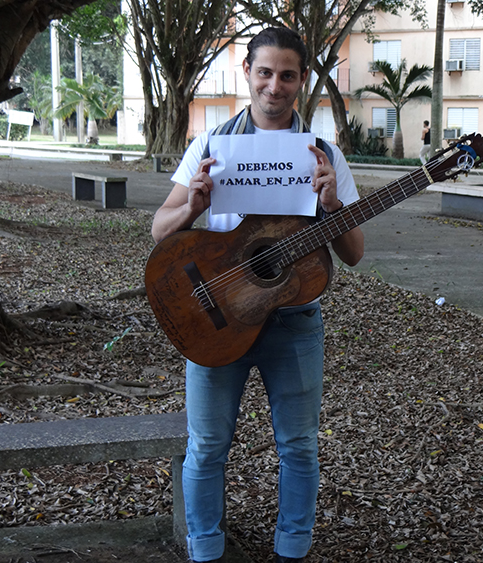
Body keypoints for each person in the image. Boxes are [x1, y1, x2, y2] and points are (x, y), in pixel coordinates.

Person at [151, 27, 364, 563]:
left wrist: (332, 204)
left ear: (301, 81)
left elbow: (354, 254)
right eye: (265, 72)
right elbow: (161, 230)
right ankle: (205, 550)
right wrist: (192, 207)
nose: (275, 86)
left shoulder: (322, 155)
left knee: (299, 446)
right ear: (247, 73)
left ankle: (292, 549)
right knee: (206, 447)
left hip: (292, 319)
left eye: (287, 75)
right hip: (214, 314)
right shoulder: (211, 144)